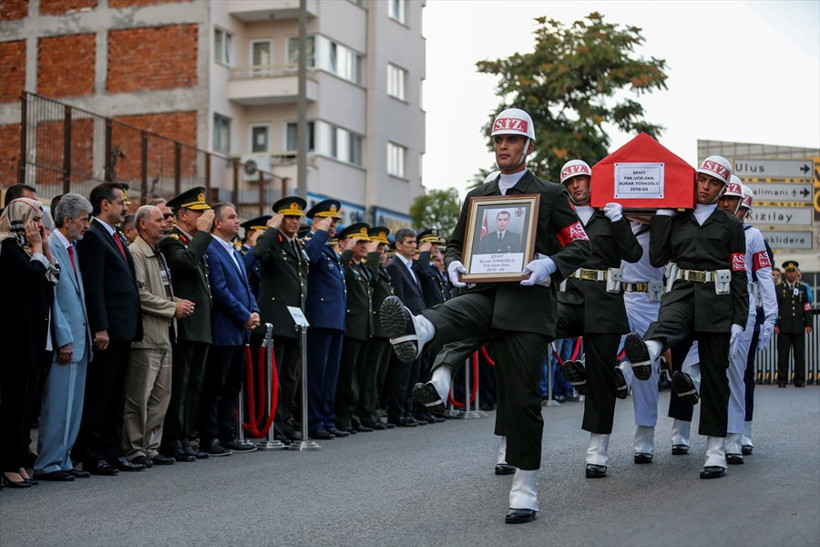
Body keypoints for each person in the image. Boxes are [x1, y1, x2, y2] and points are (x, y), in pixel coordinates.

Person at [384, 107, 591, 524]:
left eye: (513, 140)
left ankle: (525, 485)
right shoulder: (477, 195)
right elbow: (458, 244)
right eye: (498, 139)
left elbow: (580, 245)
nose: (504, 146)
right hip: (486, 292)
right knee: (456, 310)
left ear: (529, 147)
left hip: (529, 305)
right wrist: (457, 263)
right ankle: (417, 328)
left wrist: (548, 265)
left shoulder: (550, 194)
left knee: (523, 399)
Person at [623, 155, 749, 480]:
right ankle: (647, 353)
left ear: (722, 189)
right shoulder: (678, 219)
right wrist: (664, 214)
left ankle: (715, 451)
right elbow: (658, 256)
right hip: (681, 289)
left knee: (714, 377)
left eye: (714, 183)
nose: (706, 187)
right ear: (695, 180)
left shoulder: (732, 226)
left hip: (718, 302)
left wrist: (739, 319)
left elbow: (738, 274)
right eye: (702, 180)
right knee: (668, 322)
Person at [550, 158, 642, 478]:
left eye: (581, 179)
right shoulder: (561, 217)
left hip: (605, 301)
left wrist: (619, 220)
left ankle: (597, 451)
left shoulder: (610, 214)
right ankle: (509, 442)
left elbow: (633, 254)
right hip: (569, 298)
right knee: (530, 334)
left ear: (593, 181)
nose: (576, 186)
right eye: (570, 182)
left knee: (602, 378)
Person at [74, 182, 145, 475]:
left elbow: (127, 285)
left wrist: (132, 330)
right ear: (105, 204)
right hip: (108, 330)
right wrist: (100, 327)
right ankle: (91, 453)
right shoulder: (93, 236)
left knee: (117, 395)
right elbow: (94, 286)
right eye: (121, 202)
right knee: (100, 394)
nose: (125, 207)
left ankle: (112, 450)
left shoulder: (114, 236)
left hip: (123, 330)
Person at [123, 205, 194, 468]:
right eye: (159, 220)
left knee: (160, 397)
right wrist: (171, 308)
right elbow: (140, 294)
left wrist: (177, 302)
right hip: (147, 335)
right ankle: (134, 448)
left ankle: (151, 448)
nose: (165, 224)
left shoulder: (158, 252)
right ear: (143, 225)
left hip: (165, 334)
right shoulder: (136, 252)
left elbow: (161, 291)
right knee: (138, 397)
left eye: (166, 220)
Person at [714, 179, 777, 464]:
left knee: (737, 374)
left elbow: (764, 275)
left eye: (733, 199)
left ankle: (735, 438)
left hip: (743, 306)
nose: (727, 204)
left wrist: (770, 316)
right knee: (704, 366)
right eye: (722, 197)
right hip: (710, 304)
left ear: (743, 204)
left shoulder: (753, 236)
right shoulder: (708, 228)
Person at [33, 194, 94, 482]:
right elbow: (53, 299)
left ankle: (64, 458)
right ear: (67, 220)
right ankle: (48, 462)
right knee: (58, 404)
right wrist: (63, 338)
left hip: (80, 339)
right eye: (84, 220)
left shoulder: (72, 247)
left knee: (74, 404)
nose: (87, 225)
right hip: (65, 340)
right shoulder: (52, 245)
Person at [0, 198, 58, 487]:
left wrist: (44, 247)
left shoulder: (27, 249)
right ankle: (8, 464)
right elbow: (31, 278)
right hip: (15, 339)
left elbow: (53, 277)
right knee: (14, 403)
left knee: (25, 403)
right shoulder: (8, 247)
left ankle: (19, 460)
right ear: (19, 220)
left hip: (33, 336)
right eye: (34, 220)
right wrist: (37, 250)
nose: (38, 226)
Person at [157, 187, 215, 460]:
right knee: (180, 385)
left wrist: (200, 235)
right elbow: (185, 264)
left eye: (206, 212)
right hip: (185, 324)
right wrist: (203, 233)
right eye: (199, 212)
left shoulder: (193, 240)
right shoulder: (172, 241)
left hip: (201, 324)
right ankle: (172, 439)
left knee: (195, 386)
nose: (205, 217)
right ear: (183, 215)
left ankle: (184, 436)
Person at [200, 203, 260, 454]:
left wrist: (254, 310)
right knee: (216, 385)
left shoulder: (234, 251)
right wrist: (244, 315)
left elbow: (245, 288)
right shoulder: (211, 249)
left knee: (233, 385)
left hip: (240, 328)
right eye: (232, 217)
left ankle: (227, 433)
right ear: (217, 223)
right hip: (224, 328)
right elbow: (220, 290)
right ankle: (209, 437)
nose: (237, 221)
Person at [255, 197, 313, 441]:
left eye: (297, 217)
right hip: (276, 320)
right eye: (289, 217)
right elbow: (259, 253)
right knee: (274, 375)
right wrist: (271, 228)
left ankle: (285, 422)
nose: (295, 222)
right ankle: (272, 424)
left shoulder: (298, 245)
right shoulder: (272, 241)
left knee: (290, 375)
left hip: (294, 320)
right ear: (279, 218)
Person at [612, 215, 665, 465]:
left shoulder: (660, 224)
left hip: (649, 298)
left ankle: (645, 438)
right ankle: (621, 373)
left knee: (648, 367)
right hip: (620, 296)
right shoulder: (614, 221)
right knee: (611, 349)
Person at [384, 228, 427, 428]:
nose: (413, 246)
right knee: (401, 372)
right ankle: (397, 412)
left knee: (413, 372)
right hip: (406, 327)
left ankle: (407, 410)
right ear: (398, 245)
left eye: (414, 242)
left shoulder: (410, 266)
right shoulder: (395, 266)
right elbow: (400, 300)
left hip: (416, 326)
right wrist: (406, 324)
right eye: (409, 242)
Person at [335, 223, 374, 434]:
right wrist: (347, 251)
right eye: (358, 241)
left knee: (358, 374)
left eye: (365, 241)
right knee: (347, 376)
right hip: (351, 327)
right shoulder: (346, 263)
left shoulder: (362, 266)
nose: (364, 245)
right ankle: (343, 416)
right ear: (345, 243)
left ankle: (353, 413)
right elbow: (341, 274)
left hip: (363, 327)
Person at [359, 226, 395, 430]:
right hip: (374, 328)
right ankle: (366, 413)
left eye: (383, 246)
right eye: (377, 245)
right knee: (369, 376)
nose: (381, 250)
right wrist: (371, 254)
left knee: (378, 376)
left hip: (385, 329)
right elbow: (371, 281)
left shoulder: (381, 269)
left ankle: (372, 412)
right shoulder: (369, 266)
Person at [775, 260, 812, 387]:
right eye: (789, 271)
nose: (791, 274)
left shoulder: (802, 288)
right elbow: (776, 307)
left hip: (798, 326)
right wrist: (776, 324)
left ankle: (800, 379)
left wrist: (809, 324)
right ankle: (782, 379)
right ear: (785, 273)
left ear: (796, 273)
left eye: (793, 271)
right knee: (783, 355)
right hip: (784, 327)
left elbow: (806, 307)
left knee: (799, 355)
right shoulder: (779, 288)